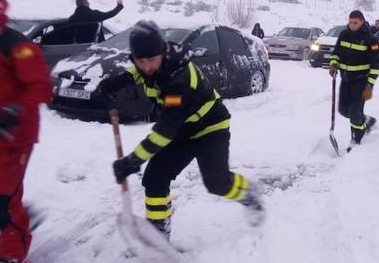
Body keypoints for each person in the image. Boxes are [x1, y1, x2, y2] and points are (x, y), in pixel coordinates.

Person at [101, 20, 264, 240]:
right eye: (141, 60)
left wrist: (133, 160)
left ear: (162, 53)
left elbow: (164, 131)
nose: (147, 66)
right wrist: (118, 81)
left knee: (217, 183)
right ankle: (158, 232)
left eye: (151, 59)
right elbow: (142, 73)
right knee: (155, 178)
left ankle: (248, 194)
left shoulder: (179, 80)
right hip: (182, 129)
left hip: (209, 127)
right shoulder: (153, 64)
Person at [0, 0, 52, 263]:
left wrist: (12, 112)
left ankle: (12, 254)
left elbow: (41, 85)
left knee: (2, 202)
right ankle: (22, 216)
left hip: (13, 137)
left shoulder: (16, 46)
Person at [329, 10, 379, 152]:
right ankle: (367, 121)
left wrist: (369, 85)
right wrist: (334, 64)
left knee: (354, 111)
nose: (352, 25)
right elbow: (336, 53)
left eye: (355, 23)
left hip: (361, 81)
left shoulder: (371, 40)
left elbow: (376, 65)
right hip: (345, 79)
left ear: (362, 22)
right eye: (350, 22)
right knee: (343, 110)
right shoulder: (343, 34)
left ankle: (355, 140)